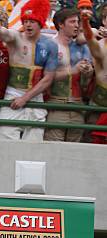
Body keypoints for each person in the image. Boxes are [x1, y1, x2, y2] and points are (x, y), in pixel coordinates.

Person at [0, 0, 58, 141]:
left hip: (36, 99)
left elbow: (48, 78)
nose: (27, 24)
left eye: (32, 21)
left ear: (40, 22)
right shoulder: (16, 37)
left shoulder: (50, 45)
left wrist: (25, 99)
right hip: (13, 95)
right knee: (4, 139)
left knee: (34, 144)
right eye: (25, 21)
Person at [44, 8, 93, 142]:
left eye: (77, 22)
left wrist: (87, 73)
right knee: (54, 151)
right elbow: (44, 78)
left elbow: (85, 84)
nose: (77, 25)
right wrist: (74, 70)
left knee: (74, 154)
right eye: (72, 22)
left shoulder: (82, 47)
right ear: (61, 24)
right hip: (56, 104)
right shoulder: (49, 45)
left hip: (78, 106)